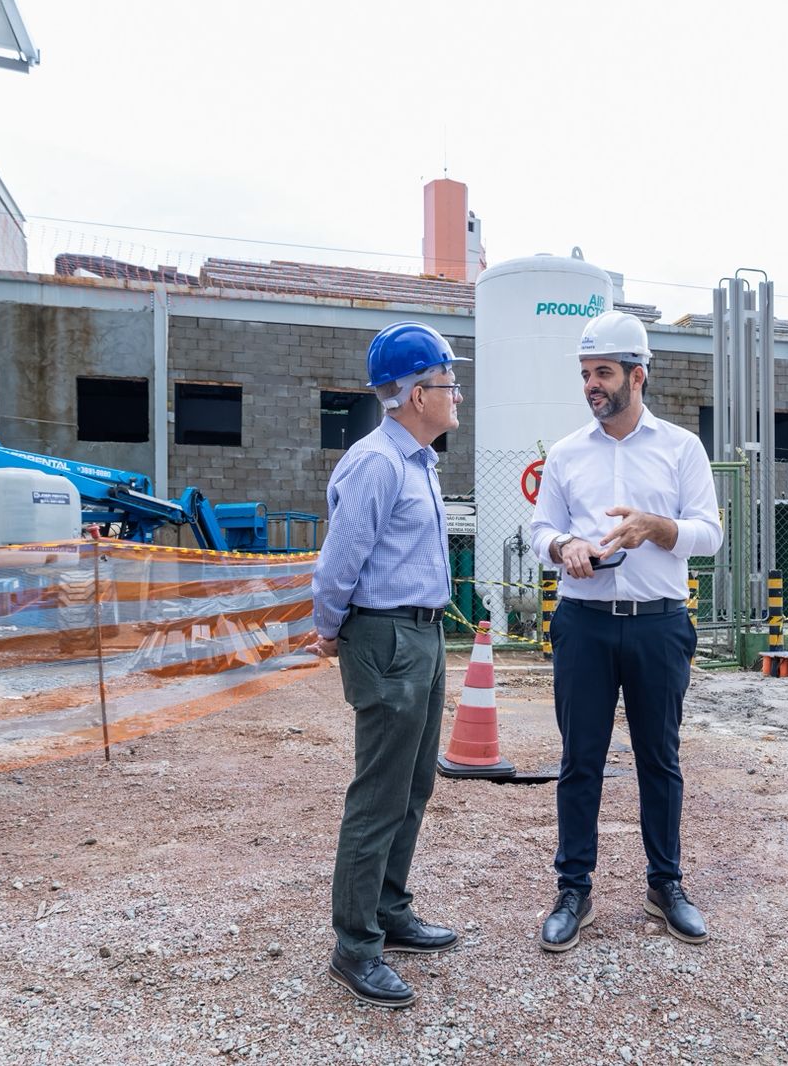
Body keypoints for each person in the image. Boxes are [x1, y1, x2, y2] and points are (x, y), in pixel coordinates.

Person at [528, 310, 723, 952]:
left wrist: (657, 528)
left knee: (659, 761)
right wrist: (565, 548)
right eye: (586, 374)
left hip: (657, 625)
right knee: (579, 760)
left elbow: (710, 535)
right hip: (583, 623)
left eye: (604, 373)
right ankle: (573, 889)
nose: (592, 385)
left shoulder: (680, 448)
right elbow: (538, 533)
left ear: (638, 375)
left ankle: (665, 884)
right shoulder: (565, 454)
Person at [305, 321, 467, 1008]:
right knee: (378, 794)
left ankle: (390, 911)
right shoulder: (376, 463)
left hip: (422, 637)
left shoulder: (417, 462)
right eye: (447, 381)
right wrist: (327, 627)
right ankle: (354, 945)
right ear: (412, 395)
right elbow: (341, 557)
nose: (457, 392)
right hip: (388, 638)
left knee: (412, 786)